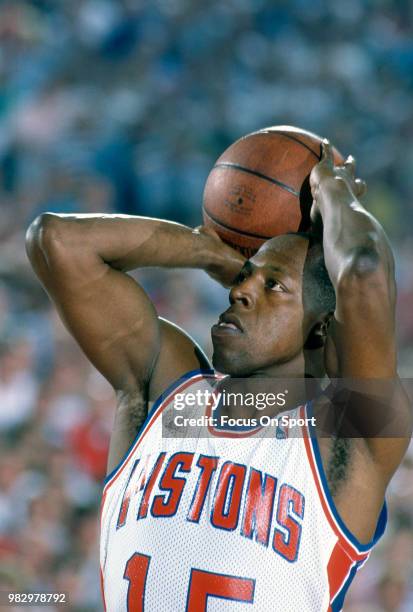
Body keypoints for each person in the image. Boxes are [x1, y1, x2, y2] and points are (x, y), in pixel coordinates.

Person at [26, 141, 411, 611]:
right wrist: (206, 251)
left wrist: (334, 193)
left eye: (272, 285)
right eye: (243, 277)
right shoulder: (166, 394)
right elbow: (55, 240)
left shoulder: (342, 441)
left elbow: (365, 269)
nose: (242, 291)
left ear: (320, 329)